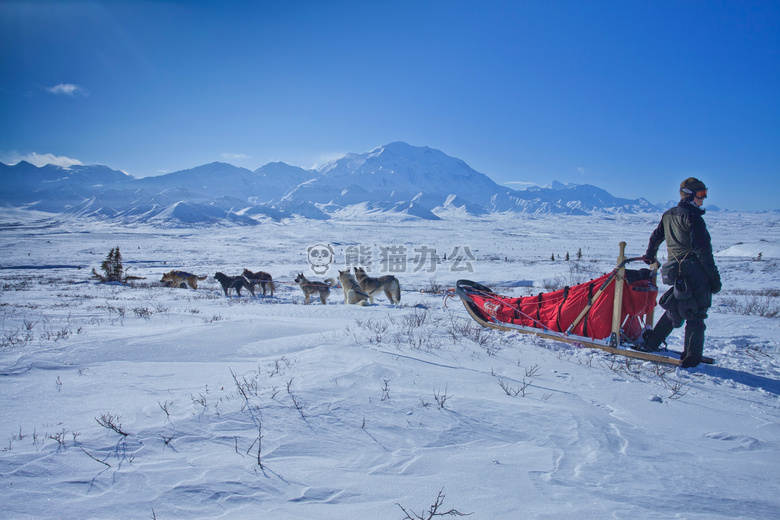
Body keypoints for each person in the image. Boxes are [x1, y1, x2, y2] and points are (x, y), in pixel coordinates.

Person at [640, 177, 721, 368]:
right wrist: (714, 278)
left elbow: (656, 236)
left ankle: (652, 342)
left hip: (675, 272)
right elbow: (704, 253)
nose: (703, 199)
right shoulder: (694, 219)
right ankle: (691, 359)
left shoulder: (669, 214)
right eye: (701, 195)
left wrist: (650, 255)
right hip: (695, 272)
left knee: (675, 306)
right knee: (696, 314)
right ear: (690, 196)